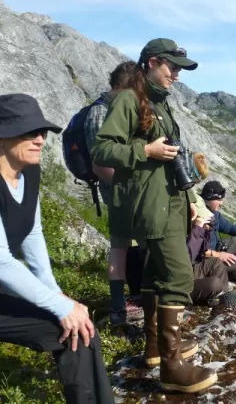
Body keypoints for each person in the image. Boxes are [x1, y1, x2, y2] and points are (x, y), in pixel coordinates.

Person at [0, 93, 115, 403]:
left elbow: (32, 232)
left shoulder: (29, 170)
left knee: (81, 331)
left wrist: (55, 295)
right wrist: (59, 305)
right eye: (29, 132)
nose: (40, 139)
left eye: (42, 132)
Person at [91, 38, 217, 393]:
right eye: (172, 67)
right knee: (178, 276)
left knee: (155, 274)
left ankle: (154, 348)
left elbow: (172, 161)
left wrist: (190, 198)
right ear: (151, 63)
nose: (176, 74)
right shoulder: (131, 100)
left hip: (171, 200)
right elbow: (102, 148)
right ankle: (173, 367)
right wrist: (145, 149)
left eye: (179, 68)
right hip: (152, 205)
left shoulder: (159, 104)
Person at [84, 61, 144, 326]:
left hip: (127, 191)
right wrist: (129, 191)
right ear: (122, 86)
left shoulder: (112, 109)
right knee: (121, 248)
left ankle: (136, 297)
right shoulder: (100, 113)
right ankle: (120, 305)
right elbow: (100, 164)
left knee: (133, 245)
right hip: (120, 194)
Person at [186, 156, 236, 308]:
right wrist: (197, 228)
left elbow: (199, 252)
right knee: (214, 283)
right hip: (178, 278)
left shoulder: (194, 208)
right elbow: (187, 255)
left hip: (190, 266)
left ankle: (220, 297)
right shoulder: (187, 225)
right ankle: (216, 296)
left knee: (216, 264)